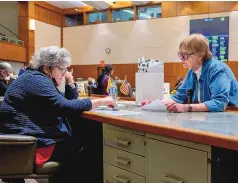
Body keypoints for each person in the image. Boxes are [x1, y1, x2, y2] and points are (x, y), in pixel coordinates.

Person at [0, 46, 116, 183]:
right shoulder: (36, 80)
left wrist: (70, 82)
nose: (64, 73)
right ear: (48, 67)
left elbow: (66, 101)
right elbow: (64, 106)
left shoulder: (34, 77)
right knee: (90, 147)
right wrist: (102, 101)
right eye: (62, 69)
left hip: (25, 139)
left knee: (81, 139)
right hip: (28, 146)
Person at [144, 34, 238, 112]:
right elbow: (178, 96)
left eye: (185, 55)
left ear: (200, 55)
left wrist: (187, 107)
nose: (181, 59)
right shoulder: (191, 72)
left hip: (231, 116)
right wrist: (155, 104)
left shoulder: (217, 69)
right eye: (180, 55)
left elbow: (219, 103)